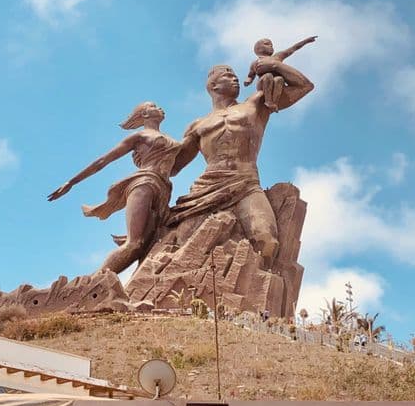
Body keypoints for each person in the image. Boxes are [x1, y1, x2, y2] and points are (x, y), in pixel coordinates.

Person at [170, 57, 315, 266]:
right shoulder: (197, 125)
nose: (235, 79)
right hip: (207, 187)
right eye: (228, 76)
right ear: (213, 86)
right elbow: (173, 167)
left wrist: (274, 66)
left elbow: (304, 86)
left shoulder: (255, 104)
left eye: (236, 76)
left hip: (246, 182)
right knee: (184, 242)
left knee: (267, 242)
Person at [48, 101, 180, 273]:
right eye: (153, 106)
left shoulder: (172, 140)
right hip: (145, 183)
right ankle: (93, 283)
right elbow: (103, 161)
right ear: (144, 114)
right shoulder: (140, 136)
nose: (160, 107)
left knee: (147, 245)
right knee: (134, 243)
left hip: (164, 191)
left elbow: (177, 167)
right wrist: (72, 182)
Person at [244, 35, 317, 112]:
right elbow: (251, 75)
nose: (271, 46)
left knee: (279, 79)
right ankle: (268, 100)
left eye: (271, 45)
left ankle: (274, 102)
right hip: (263, 83)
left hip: (276, 84)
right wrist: (248, 80)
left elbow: (292, 49)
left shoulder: (277, 57)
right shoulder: (255, 63)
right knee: (268, 76)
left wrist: (306, 41)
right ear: (258, 49)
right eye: (267, 44)